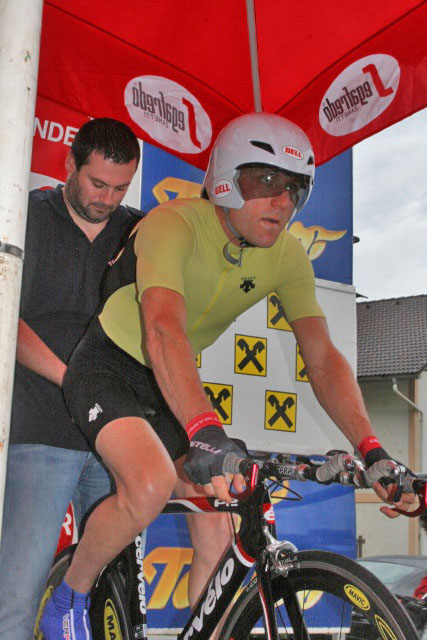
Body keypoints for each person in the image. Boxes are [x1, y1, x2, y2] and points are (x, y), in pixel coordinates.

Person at [40, 112, 414, 640]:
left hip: (168, 383)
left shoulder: (287, 256)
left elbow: (323, 358)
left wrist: (372, 449)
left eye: (295, 188)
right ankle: (69, 597)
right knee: (149, 486)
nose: (282, 201)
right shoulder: (172, 223)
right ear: (225, 181)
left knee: (219, 517)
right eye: (266, 181)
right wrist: (203, 429)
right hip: (107, 367)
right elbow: (163, 330)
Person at [0, 117, 142, 640]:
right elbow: (6, 321)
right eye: (97, 183)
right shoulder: (25, 217)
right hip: (41, 430)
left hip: (116, 438)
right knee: (17, 598)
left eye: (121, 188)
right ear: (68, 164)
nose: (108, 199)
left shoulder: (141, 231)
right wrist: (75, 382)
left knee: (113, 600)